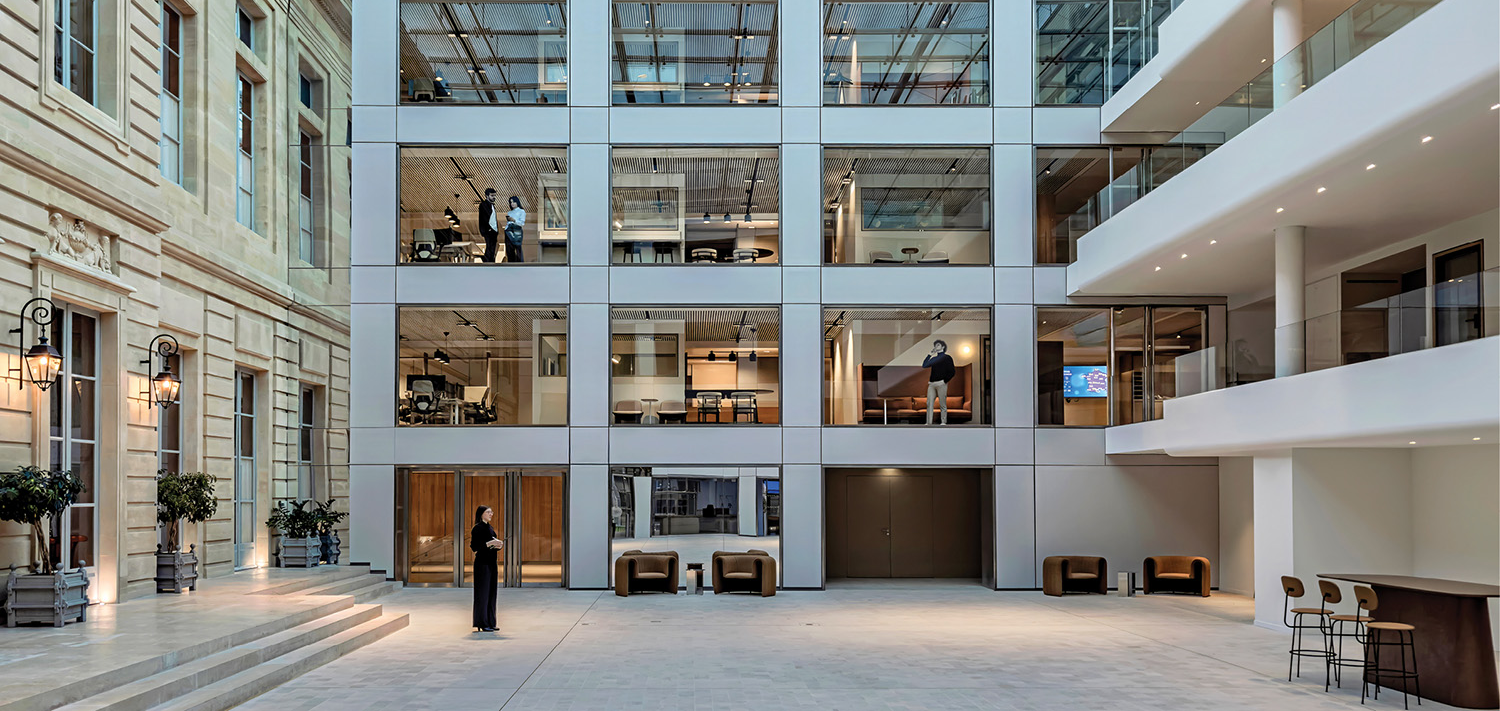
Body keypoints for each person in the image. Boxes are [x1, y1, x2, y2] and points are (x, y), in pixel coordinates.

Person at [470, 505, 503, 632]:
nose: (491, 514)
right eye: (488, 512)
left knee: (491, 593)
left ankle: (490, 621)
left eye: (491, 512)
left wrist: (498, 545)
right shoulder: (477, 528)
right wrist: (489, 543)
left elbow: (491, 544)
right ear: (481, 514)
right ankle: (482, 623)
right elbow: (475, 547)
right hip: (482, 564)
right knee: (482, 594)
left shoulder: (490, 527)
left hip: (491, 562)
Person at [921, 339, 956, 425]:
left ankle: (943, 422)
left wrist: (944, 381)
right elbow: (924, 365)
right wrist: (930, 354)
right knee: (929, 403)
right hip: (932, 384)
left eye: (938, 345)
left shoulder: (947, 357)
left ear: (943, 347)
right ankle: (928, 422)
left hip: (941, 383)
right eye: (935, 345)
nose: (936, 347)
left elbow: (952, 371)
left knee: (942, 403)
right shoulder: (934, 358)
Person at [477, 189, 500, 263]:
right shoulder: (484, 205)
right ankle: (487, 261)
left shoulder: (491, 205)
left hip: (493, 230)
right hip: (489, 229)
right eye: (492, 195)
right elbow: (483, 218)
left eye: (494, 195)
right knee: (490, 246)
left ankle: (489, 260)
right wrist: (487, 229)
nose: (494, 197)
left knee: (492, 246)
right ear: (487, 196)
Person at [504, 195, 526, 263]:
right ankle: (511, 263)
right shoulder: (509, 212)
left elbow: (522, 223)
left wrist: (514, 220)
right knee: (509, 249)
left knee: (517, 247)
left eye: (513, 202)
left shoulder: (521, 211)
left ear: (517, 202)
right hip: (508, 230)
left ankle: (520, 263)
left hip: (516, 229)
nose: (512, 204)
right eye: (511, 202)